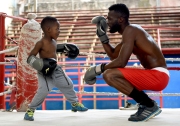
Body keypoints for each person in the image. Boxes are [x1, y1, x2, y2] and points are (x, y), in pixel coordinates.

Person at [84, 3, 169, 122]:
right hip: (155, 74)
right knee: (110, 73)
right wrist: (102, 36)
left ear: (120, 19)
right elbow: (114, 56)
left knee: (109, 74)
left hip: (158, 76)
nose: (107, 22)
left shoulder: (131, 30)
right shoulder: (130, 33)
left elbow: (121, 62)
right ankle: (148, 105)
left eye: (109, 18)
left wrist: (97, 69)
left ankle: (149, 106)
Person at [24, 16, 88, 121]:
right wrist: (40, 65)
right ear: (49, 29)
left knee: (68, 84)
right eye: (57, 28)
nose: (59, 31)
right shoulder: (40, 43)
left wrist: (66, 48)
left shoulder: (54, 41)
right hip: (45, 71)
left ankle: (74, 103)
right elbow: (30, 57)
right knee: (43, 90)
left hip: (56, 68)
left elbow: (53, 50)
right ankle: (30, 110)